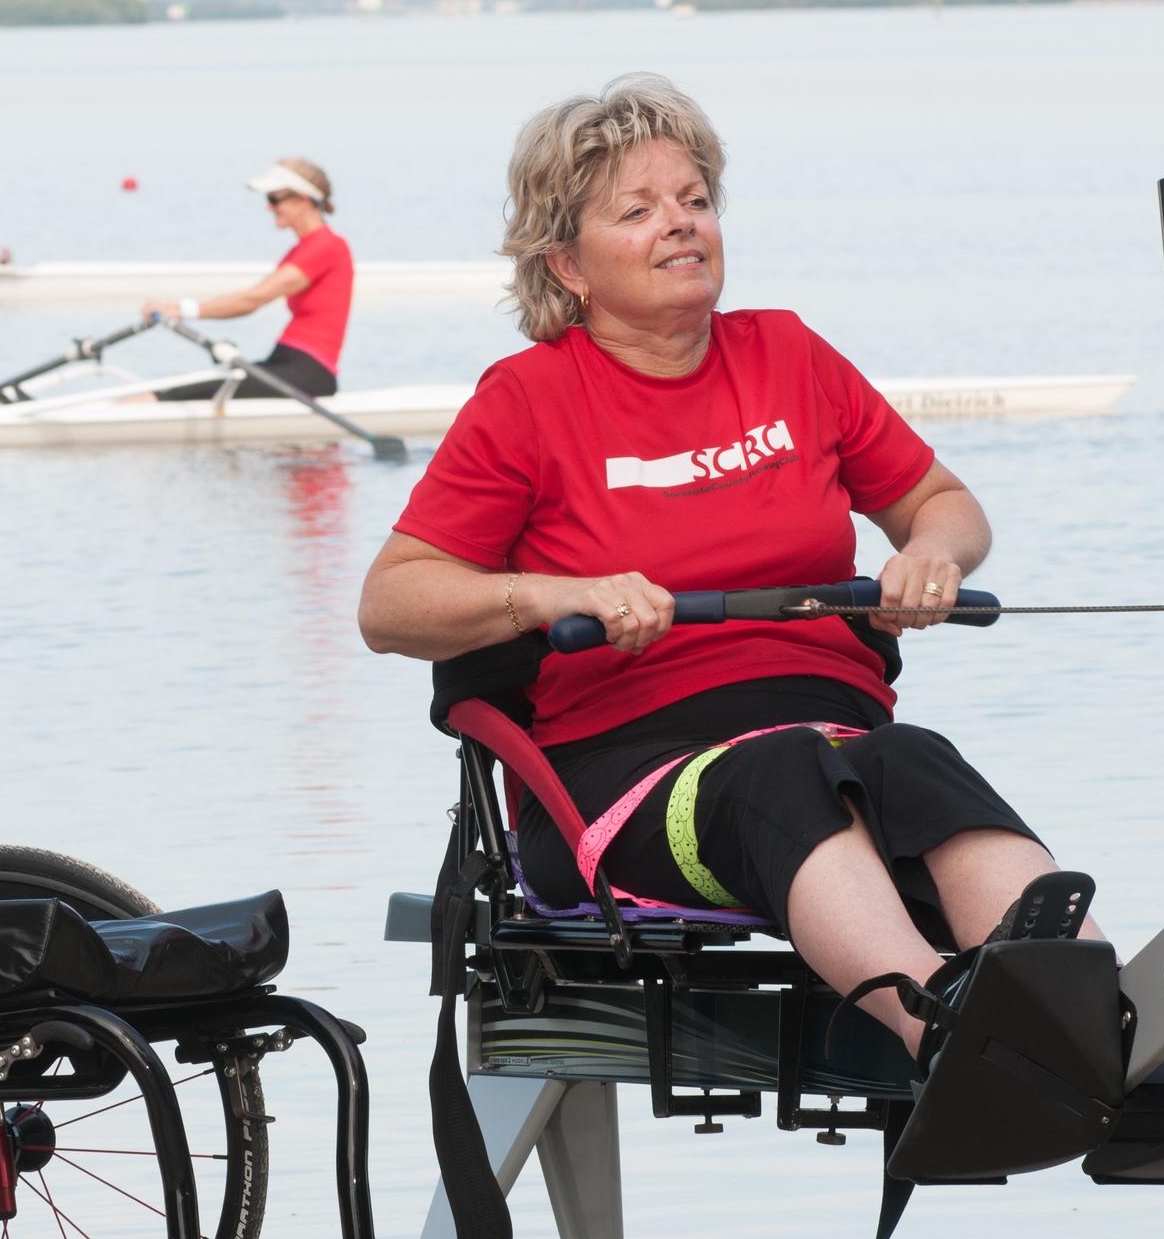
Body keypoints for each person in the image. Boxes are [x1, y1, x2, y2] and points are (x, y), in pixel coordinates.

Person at [355, 74, 1108, 1060]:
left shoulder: (789, 355)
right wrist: (552, 595)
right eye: (637, 210)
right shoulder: (527, 400)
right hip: (618, 777)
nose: (680, 225)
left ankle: (1104, 1016)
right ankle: (946, 1035)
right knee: (783, 771)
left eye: (694, 201)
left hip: (830, 733)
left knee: (916, 762)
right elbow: (389, 605)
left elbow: (943, 504)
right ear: (567, 265)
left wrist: (929, 553)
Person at [144, 160, 352, 400]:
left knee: (173, 395)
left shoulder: (328, 246)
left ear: (302, 200)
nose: (269, 208)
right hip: (284, 362)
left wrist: (180, 309)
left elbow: (252, 300)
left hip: (309, 372)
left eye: (274, 199)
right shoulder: (301, 250)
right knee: (187, 386)